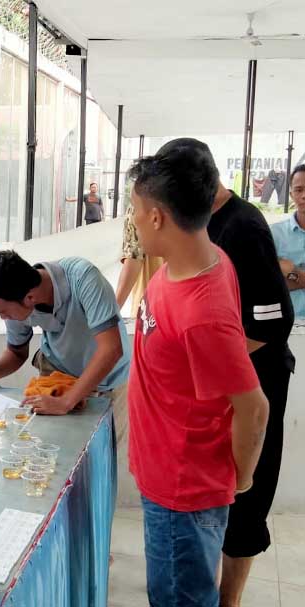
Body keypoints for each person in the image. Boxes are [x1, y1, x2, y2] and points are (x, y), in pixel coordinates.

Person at [126, 142, 269, 607]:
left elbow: (254, 408)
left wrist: (240, 480)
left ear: (156, 217)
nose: (132, 219)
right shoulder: (202, 262)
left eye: (134, 209)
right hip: (165, 475)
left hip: (183, 494)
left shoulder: (201, 313)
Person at [158, 138, 294, 607]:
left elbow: (273, 322)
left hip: (256, 379)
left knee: (245, 493)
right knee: (216, 494)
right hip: (220, 383)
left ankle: (229, 599)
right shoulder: (200, 222)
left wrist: (214, 362)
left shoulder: (244, 226)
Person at [0, 251, 130, 429]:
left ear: (30, 298)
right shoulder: (15, 295)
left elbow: (111, 349)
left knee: (107, 440)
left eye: (4, 312)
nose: (3, 318)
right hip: (59, 379)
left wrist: (66, 402)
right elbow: (16, 352)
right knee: (48, 440)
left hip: (110, 378)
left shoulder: (84, 279)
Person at [114, 202, 163, 314]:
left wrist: (111, 314)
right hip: (188, 304)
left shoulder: (140, 203)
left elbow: (133, 259)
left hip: (150, 308)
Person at [271, 164, 305, 319]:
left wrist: (293, 273)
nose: (304, 195)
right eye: (299, 190)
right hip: (285, 323)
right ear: (291, 194)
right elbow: (266, 282)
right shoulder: (273, 234)